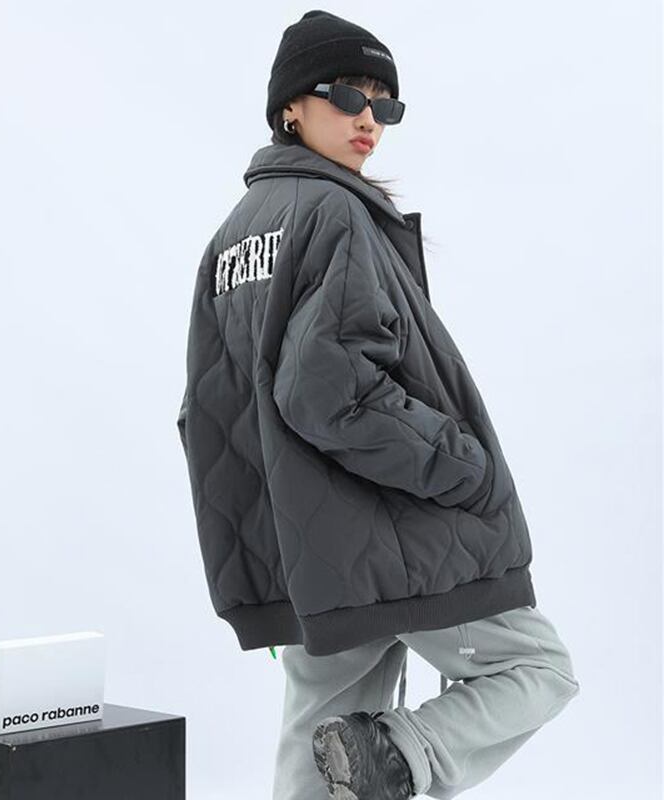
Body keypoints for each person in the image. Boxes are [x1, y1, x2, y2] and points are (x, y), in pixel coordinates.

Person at [176, 9, 580, 800]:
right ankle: (396, 750)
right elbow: (327, 390)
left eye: (384, 103)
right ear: (290, 108)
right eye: (347, 95)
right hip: (381, 528)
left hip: (304, 542)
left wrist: (264, 546)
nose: (369, 119)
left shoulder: (233, 238)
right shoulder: (332, 214)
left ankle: (370, 755)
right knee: (537, 667)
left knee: (319, 751)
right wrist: (462, 465)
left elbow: (207, 413)